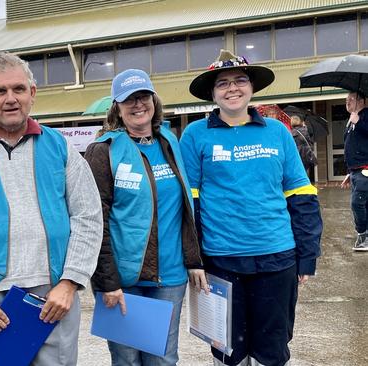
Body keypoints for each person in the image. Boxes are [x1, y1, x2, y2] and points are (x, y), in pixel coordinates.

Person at [0, 51, 102, 365]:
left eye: (18, 89)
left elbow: (88, 215)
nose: (10, 98)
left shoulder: (59, 147)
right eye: (0, 91)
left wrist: (70, 282)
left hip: (53, 296)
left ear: (32, 93)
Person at [179, 50, 322, 366]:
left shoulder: (277, 132)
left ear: (252, 87)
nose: (232, 88)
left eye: (240, 80)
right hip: (221, 261)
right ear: (212, 93)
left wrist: (307, 255)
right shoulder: (194, 135)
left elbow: (301, 195)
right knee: (226, 349)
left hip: (277, 258)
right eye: (223, 83)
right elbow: (189, 205)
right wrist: (194, 259)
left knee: (272, 350)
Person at [84, 69, 206, 366]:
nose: (138, 105)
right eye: (128, 100)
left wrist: (193, 259)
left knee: (163, 359)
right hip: (125, 279)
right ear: (117, 107)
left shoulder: (169, 140)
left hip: (170, 276)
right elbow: (94, 220)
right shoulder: (103, 151)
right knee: (127, 360)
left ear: (154, 99)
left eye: (143, 97)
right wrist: (106, 282)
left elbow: (184, 209)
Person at [341, 91, 368, 251]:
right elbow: (352, 146)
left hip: (365, 169)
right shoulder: (352, 119)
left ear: (361, 100)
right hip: (356, 171)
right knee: (363, 203)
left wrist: (359, 122)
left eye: (351, 99)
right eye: (346, 100)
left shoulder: (364, 117)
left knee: (357, 203)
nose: (347, 102)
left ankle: (363, 235)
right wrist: (349, 172)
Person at [290, 114, 317, 182]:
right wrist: (305, 127)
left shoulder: (291, 133)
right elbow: (310, 140)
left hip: (297, 156)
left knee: (299, 174)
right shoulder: (305, 130)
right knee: (305, 173)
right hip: (306, 155)